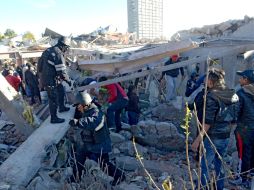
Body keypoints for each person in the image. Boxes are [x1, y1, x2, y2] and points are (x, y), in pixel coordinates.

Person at [191, 68, 239, 190]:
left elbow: (207, 122)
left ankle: (202, 187)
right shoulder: (232, 94)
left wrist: (197, 141)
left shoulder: (212, 96)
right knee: (220, 164)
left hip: (212, 137)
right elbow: (234, 119)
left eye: (206, 79)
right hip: (225, 136)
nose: (205, 81)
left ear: (211, 81)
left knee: (205, 166)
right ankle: (219, 187)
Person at [69, 92, 125, 185]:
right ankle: (75, 178)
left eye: (78, 105)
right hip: (90, 144)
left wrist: (78, 122)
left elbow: (94, 122)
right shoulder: (87, 111)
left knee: (104, 164)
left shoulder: (96, 111)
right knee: (79, 159)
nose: (78, 108)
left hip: (100, 145)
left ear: (85, 104)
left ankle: (120, 176)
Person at [230, 70, 254, 188]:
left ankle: (242, 178)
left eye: (241, 78)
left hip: (244, 130)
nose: (239, 80)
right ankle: (250, 177)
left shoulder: (240, 93)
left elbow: (235, 112)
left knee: (243, 154)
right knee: (252, 153)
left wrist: (231, 122)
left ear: (246, 80)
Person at [38, 36, 71, 123]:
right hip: (50, 79)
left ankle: (62, 107)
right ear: (63, 46)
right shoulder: (58, 53)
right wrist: (69, 81)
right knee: (53, 99)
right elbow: (62, 72)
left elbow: (39, 66)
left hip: (50, 78)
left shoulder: (47, 51)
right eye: (67, 48)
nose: (66, 50)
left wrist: (41, 79)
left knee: (61, 91)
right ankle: (54, 118)